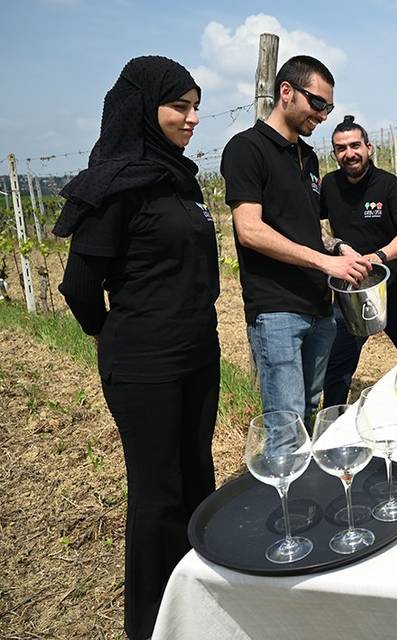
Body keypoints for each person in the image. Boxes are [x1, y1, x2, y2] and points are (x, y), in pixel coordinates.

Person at [55, 56, 219, 640]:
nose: (193, 118)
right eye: (180, 106)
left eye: (196, 105)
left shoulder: (179, 178)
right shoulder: (120, 183)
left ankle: (200, 603)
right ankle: (152, 625)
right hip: (145, 364)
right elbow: (79, 285)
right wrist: (115, 334)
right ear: (143, 110)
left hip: (199, 353)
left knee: (199, 477)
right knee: (159, 495)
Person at [221, 55, 371, 425]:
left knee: (307, 411)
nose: (323, 115)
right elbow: (249, 230)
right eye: (317, 103)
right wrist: (325, 262)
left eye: (328, 106)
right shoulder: (246, 149)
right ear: (285, 91)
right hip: (277, 311)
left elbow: (306, 228)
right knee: (285, 422)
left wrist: (337, 247)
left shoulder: (308, 157)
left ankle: (300, 482)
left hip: (319, 308)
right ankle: (282, 483)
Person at [320, 116, 397, 406]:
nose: (349, 153)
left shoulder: (388, 185)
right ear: (335, 153)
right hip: (350, 292)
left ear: (369, 147)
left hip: (395, 291)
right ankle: (332, 425)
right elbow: (314, 225)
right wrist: (337, 245)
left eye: (355, 145)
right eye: (341, 148)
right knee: (337, 370)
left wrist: (378, 257)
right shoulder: (329, 185)